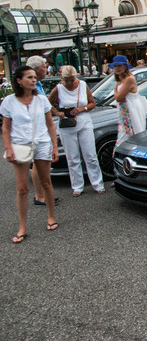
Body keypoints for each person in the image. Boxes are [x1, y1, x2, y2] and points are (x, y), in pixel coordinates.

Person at [1, 66, 59, 243]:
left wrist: (55, 147)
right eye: (29, 77)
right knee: (22, 188)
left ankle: (51, 216)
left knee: (46, 182)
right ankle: (22, 227)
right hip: (20, 144)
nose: (34, 80)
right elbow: (6, 127)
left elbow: (50, 124)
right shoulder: (9, 101)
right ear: (19, 80)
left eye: (35, 77)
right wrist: (8, 148)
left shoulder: (41, 100)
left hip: (42, 143)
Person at [48, 66, 104, 197]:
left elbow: (92, 103)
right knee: (72, 158)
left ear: (75, 77)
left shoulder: (83, 85)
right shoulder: (58, 88)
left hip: (84, 122)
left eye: (72, 80)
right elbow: (48, 103)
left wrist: (81, 109)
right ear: (62, 79)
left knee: (90, 155)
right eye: (67, 80)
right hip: (67, 125)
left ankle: (97, 183)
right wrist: (57, 112)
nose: (70, 83)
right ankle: (77, 186)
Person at [25, 55, 52, 206]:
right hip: (35, 131)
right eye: (43, 67)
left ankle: (43, 194)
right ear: (36, 69)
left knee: (42, 163)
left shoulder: (38, 85)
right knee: (37, 163)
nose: (46, 69)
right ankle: (39, 196)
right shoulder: (31, 87)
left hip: (41, 129)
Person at [110, 55, 147, 150]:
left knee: (134, 136)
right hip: (124, 111)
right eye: (115, 66)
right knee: (124, 135)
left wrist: (115, 89)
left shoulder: (129, 79)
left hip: (132, 110)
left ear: (125, 66)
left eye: (120, 66)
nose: (117, 68)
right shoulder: (121, 79)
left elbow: (118, 97)